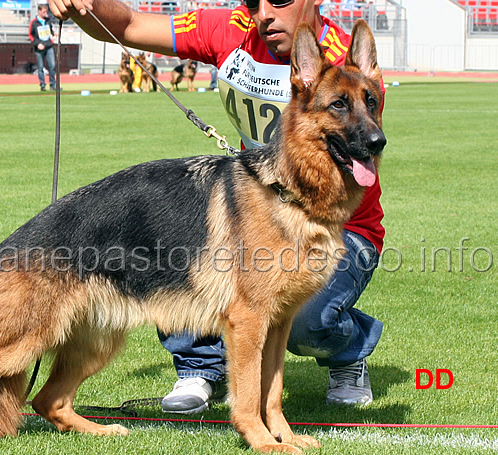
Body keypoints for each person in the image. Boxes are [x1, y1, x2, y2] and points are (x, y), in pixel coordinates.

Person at [48, 0, 385, 413]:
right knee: (182, 249)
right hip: (261, 205)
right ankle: (199, 367)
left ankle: (347, 353)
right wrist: (85, 6)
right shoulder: (231, 29)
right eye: (251, 1)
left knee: (303, 319)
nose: (263, 14)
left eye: (277, 1)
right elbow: (131, 23)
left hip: (344, 229)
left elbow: (359, 139)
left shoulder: (342, 63)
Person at [29, 3, 58, 92]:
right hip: (39, 48)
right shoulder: (34, 23)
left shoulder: (48, 20)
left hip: (48, 46)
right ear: (39, 11)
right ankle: (42, 85)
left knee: (52, 65)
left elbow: (50, 30)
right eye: (44, 11)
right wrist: (37, 44)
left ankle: (53, 84)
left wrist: (54, 34)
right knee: (41, 68)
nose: (46, 13)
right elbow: (31, 36)